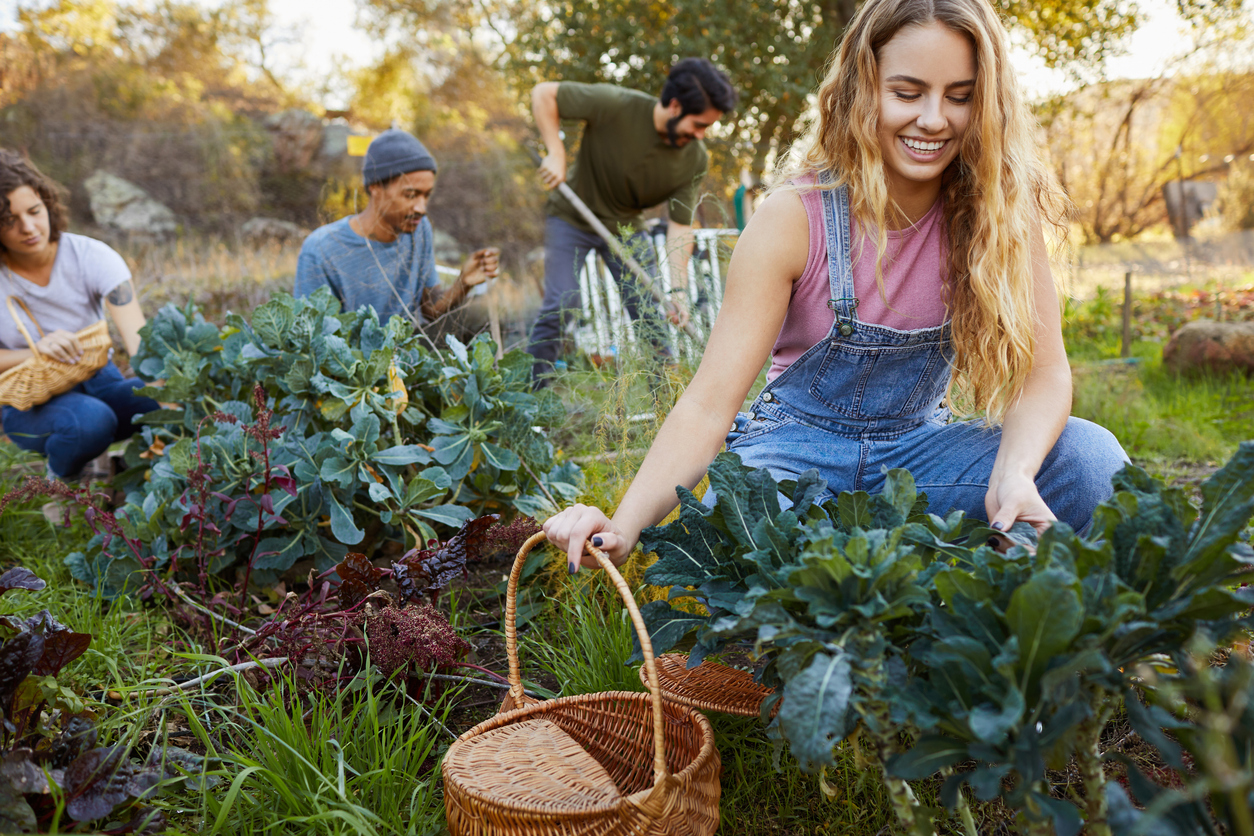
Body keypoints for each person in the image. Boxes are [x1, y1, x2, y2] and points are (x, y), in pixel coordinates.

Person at [543, 0, 1129, 573]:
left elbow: (1043, 372)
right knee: (738, 515)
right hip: (795, 456)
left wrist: (1015, 473)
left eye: (960, 96)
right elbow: (707, 404)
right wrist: (621, 530)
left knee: (1090, 460)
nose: (933, 119)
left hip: (918, 456)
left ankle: (1014, 618)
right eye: (906, 93)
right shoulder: (793, 219)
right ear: (861, 89)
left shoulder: (1000, 215)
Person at [527, 58, 738, 386]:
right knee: (562, 302)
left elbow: (680, 227)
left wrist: (679, 291)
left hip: (626, 227)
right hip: (571, 216)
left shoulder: (694, 157)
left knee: (651, 312)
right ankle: (532, 398)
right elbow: (543, 94)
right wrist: (556, 152)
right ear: (674, 105)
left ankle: (665, 403)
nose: (700, 135)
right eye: (698, 124)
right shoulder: (616, 105)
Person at [0, 150, 159, 481]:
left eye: (34, 211)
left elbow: (139, 341)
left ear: (47, 204)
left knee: (164, 400)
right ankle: (59, 483)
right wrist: (36, 350)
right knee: (89, 422)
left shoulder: (91, 256)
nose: (28, 227)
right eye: (9, 220)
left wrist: (168, 390)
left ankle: (139, 475)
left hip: (100, 378)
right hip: (29, 400)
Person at [295, 129, 500, 326]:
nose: (421, 208)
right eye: (410, 195)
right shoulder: (321, 249)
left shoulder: (419, 229)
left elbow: (430, 309)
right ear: (375, 187)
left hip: (402, 360)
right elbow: (313, 342)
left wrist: (463, 283)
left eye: (426, 195)